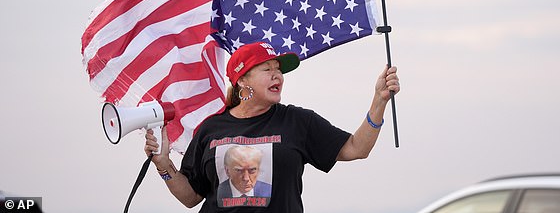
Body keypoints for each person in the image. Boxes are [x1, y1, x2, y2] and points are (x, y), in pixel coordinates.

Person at [145, 41, 400, 212]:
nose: (277, 75)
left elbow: (357, 148)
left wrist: (379, 100)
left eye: (278, 70)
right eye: (266, 69)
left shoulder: (298, 121)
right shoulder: (211, 128)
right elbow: (191, 198)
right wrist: (164, 166)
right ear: (243, 80)